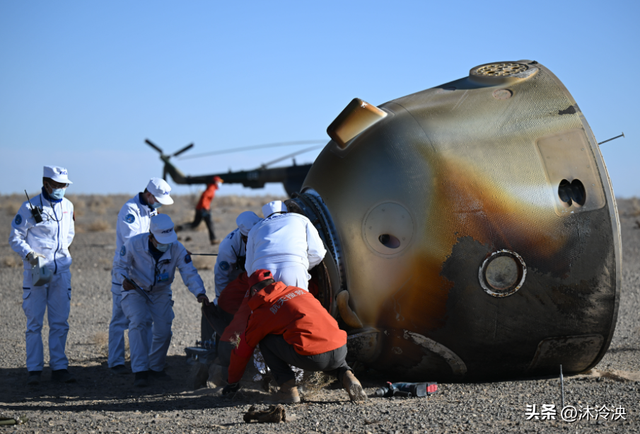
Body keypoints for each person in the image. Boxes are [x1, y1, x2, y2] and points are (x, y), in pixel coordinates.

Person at [222, 269, 367, 403]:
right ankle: (349, 377)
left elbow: (243, 350)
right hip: (340, 350)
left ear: (254, 290)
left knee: (266, 340)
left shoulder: (263, 310)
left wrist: (232, 381)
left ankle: (288, 390)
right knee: (325, 338)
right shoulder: (298, 291)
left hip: (315, 358)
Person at [113, 214, 209, 387]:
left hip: (160, 292)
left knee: (164, 330)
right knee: (139, 322)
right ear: (151, 236)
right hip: (135, 289)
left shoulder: (177, 248)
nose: (166, 244)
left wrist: (200, 293)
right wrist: (123, 280)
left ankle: (156, 368)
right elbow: (120, 267)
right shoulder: (133, 244)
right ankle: (140, 371)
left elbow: (189, 272)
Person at [9, 166, 76, 385]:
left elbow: (69, 235)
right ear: (46, 183)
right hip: (37, 268)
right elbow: (15, 237)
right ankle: (34, 370)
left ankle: (59, 368)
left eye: (63, 185)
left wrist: (61, 256)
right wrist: (30, 254)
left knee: (59, 322)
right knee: (35, 322)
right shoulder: (29, 207)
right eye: (57, 185)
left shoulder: (68, 206)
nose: (60, 189)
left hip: (61, 271)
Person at [108, 177, 174, 374]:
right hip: (127, 273)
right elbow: (132, 243)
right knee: (120, 319)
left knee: (145, 319)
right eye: (159, 198)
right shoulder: (130, 211)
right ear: (149, 194)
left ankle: (144, 361)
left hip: (146, 274)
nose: (160, 203)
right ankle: (116, 361)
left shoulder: (151, 209)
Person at [245, 201, 326, 291]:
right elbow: (318, 253)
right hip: (293, 267)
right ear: (286, 211)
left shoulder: (255, 228)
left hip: (263, 271)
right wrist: (303, 264)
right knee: (296, 303)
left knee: (267, 304)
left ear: (266, 216)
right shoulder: (301, 219)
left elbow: (249, 266)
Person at [176, 176, 223, 245]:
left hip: (200, 208)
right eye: (219, 181)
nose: (220, 183)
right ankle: (213, 240)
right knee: (210, 224)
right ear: (216, 182)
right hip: (204, 209)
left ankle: (180, 227)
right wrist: (205, 207)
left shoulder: (211, 187)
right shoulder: (211, 188)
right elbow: (204, 196)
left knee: (195, 224)